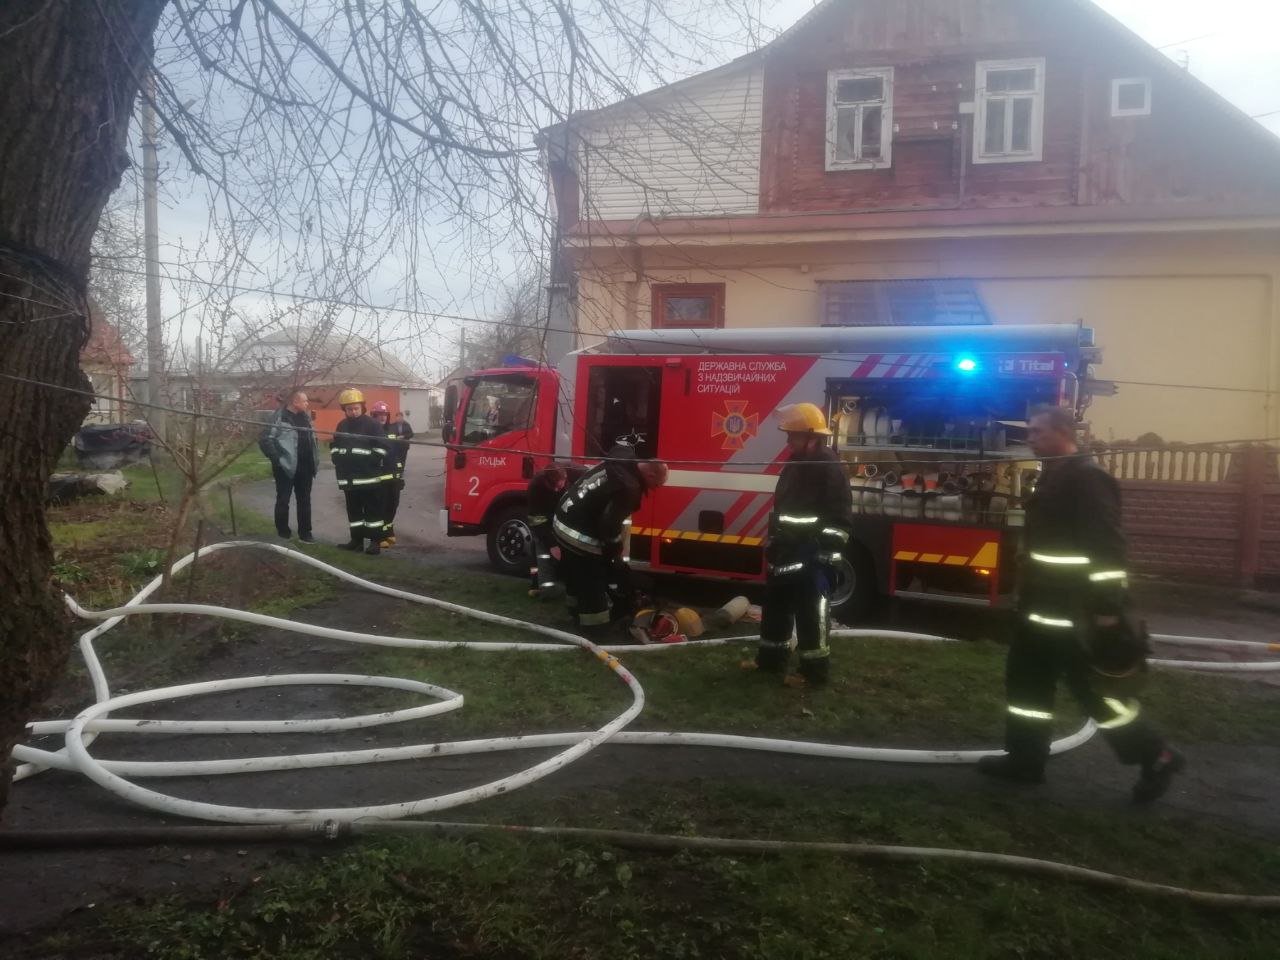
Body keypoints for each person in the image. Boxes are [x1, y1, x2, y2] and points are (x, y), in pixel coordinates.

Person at [978, 405, 1184, 803]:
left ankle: (1156, 754)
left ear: (1063, 433)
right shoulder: (1054, 476)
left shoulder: (1088, 479)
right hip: (1040, 608)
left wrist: (1107, 610)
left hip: (1075, 613)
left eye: (1038, 432)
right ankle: (1025, 760)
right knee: (1025, 686)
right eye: (1030, 432)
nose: (1031, 438)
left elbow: (1108, 548)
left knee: (1094, 692)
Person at [751, 402, 853, 688]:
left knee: (811, 616)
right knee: (775, 609)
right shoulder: (795, 464)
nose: (787, 441)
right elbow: (784, 509)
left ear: (811, 437)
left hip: (811, 556)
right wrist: (774, 538)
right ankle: (770, 662)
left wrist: (822, 554)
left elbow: (840, 518)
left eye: (792, 435)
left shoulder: (829, 468)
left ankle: (814, 674)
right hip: (786, 551)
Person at [553, 447, 668, 640]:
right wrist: (614, 552)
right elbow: (609, 527)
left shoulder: (622, 458)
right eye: (655, 485)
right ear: (649, 474)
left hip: (562, 520)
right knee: (592, 582)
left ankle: (574, 614)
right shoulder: (629, 489)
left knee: (574, 576)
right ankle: (594, 632)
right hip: (578, 535)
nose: (653, 490)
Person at [329, 388, 391, 555]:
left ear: (362, 407)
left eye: (356, 408)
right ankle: (356, 541)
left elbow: (383, 448)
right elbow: (335, 446)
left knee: (373, 513)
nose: (353, 412)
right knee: (354, 513)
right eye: (349, 409)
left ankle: (375, 542)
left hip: (368, 478)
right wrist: (337, 458)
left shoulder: (373, 425)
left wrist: (369, 461)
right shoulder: (342, 425)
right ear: (344, 409)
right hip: (349, 479)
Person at [258, 390, 320, 543]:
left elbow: (313, 439)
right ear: (295, 402)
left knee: (304, 500)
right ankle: (283, 533)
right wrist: (277, 460)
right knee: (283, 500)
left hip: (305, 467)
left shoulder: (306, 418)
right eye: (304, 401)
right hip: (285, 467)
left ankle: (305, 534)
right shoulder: (279, 417)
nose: (307, 404)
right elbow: (266, 439)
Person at [526, 462, 585, 597]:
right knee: (542, 553)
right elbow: (536, 520)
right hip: (544, 521)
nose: (557, 490)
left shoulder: (578, 474)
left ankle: (570, 587)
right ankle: (539, 586)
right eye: (554, 487)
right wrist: (551, 544)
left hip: (565, 518)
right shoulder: (535, 487)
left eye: (561, 486)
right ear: (546, 480)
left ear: (565, 477)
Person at [371, 402, 414, 547]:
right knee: (381, 506)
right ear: (374, 416)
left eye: (384, 415)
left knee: (393, 504)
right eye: (379, 415)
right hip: (380, 477)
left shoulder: (392, 430)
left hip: (393, 475)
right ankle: (381, 535)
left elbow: (398, 454)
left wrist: (399, 474)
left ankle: (389, 530)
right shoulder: (371, 432)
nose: (382, 417)